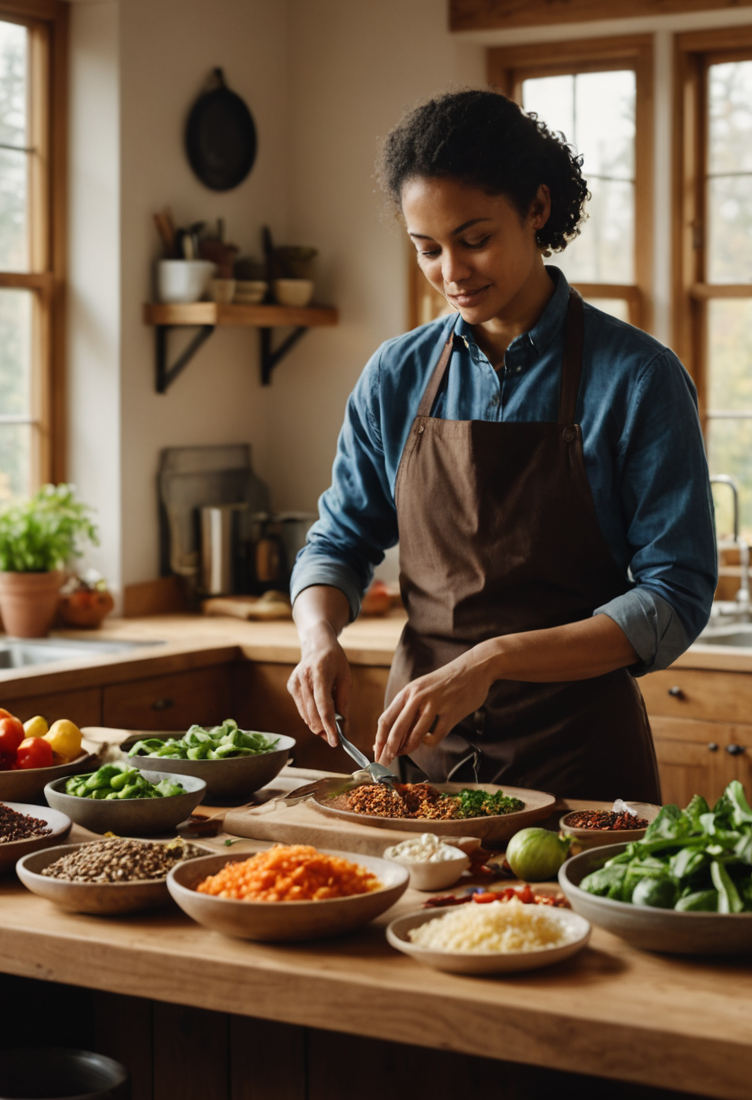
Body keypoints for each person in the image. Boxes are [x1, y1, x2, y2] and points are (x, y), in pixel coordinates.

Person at [285, 89, 716, 803]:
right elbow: (338, 542)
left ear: (537, 209)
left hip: (580, 771)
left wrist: (494, 659)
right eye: (427, 249)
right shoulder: (397, 374)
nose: (451, 271)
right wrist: (317, 638)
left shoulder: (638, 377)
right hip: (416, 768)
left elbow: (676, 594)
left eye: (474, 238)